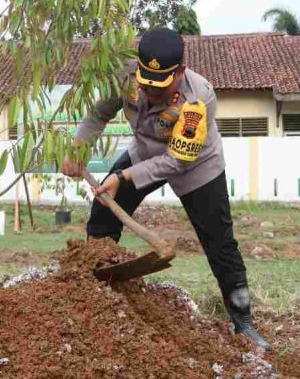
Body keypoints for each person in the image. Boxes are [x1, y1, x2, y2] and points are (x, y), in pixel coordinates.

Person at [61, 27, 271, 350]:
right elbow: (99, 113)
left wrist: (123, 177)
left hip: (195, 164)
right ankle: (94, 291)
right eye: (147, 83)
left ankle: (243, 323)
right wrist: (77, 149)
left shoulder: (198, 98)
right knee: (103, 209)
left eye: (161, 86)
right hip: (145, 151)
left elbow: (177, 162)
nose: (151, 92)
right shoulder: (126, 77)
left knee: (220, 243)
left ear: (181, 72)